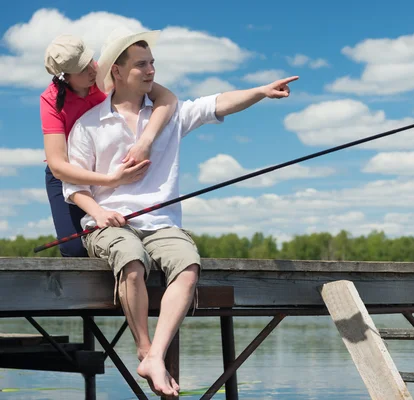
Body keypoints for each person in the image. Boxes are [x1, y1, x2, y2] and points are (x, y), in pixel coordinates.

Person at [62, 27, 298, 397]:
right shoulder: (88, 125)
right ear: (118, 72)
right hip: (109, 224)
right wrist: (100, 212)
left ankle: (155, 355)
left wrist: (259, 92)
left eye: (153, 62)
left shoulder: (168, 116)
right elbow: (74, 189)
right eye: (142, 64)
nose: (152, 70)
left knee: (188, 266)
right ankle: (143, 347)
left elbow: (216, 103)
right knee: (132, 261)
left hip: (161, 224)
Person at [41, 34, 178, 257]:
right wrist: (112, 179)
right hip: (70, 174)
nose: (92, 70)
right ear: (65, 77)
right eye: (82, 69)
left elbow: (168, 98)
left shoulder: (106, 74)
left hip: (106, 164)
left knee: (117, 233)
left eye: (90, 60)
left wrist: (146, 140)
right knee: (74, 248)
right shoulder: (50, 99)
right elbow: (58, 166)